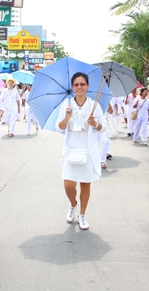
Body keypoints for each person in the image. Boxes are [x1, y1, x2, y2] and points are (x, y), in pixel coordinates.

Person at [56, 72, 107, 230]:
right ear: (72, 87)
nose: (79, 87)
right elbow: (60, 127)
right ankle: (73, 205)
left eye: (82, 84)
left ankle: (82, 215)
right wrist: (66, 118)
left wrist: (95, 123)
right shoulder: (66, 105)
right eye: (76, 84)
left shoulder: (94, 105)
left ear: (87, 86)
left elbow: (103, 126)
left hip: (88, 149)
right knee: (68, 185)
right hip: (71, 149)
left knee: (85, 185)